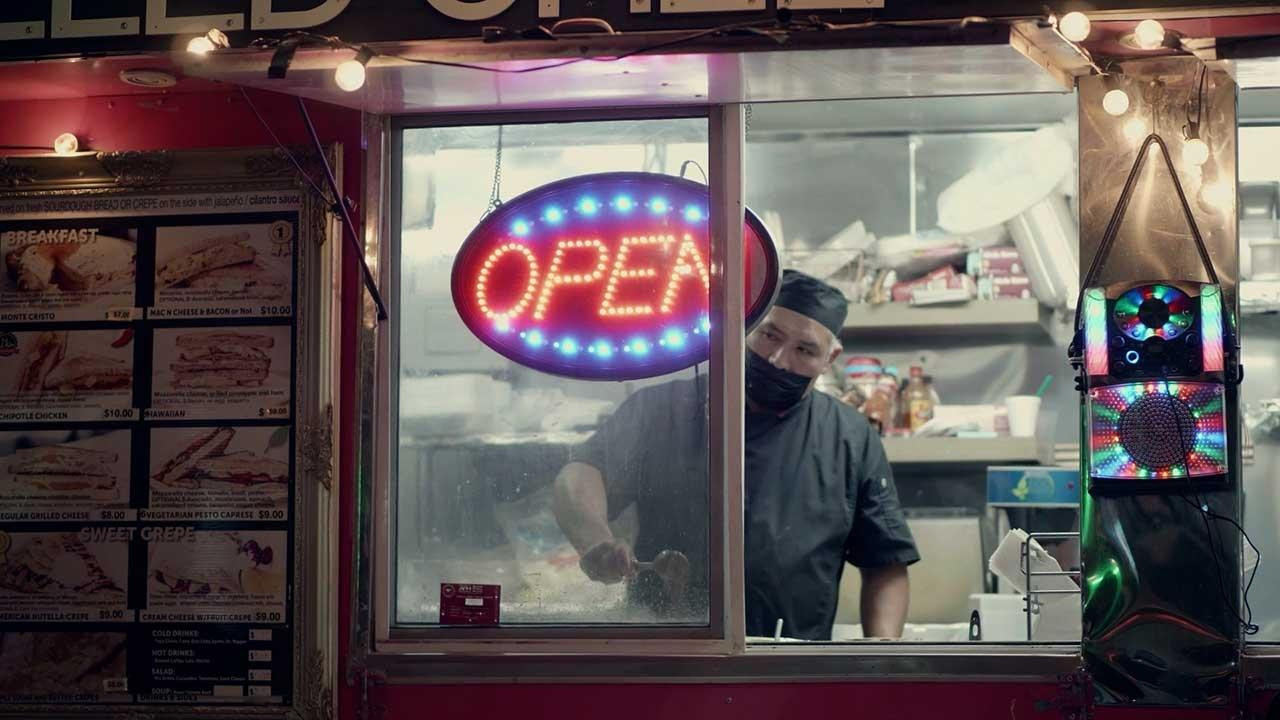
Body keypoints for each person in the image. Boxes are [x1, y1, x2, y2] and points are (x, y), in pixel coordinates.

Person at [552, 270, 919, 640]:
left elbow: (885, 564)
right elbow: (581, 474)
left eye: (804, 350)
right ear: (746, 324)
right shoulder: (662, 409)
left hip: (794, 665)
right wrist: (596, 542)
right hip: (663, 649)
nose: (777, 360)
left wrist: (881, 655)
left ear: (831, 357)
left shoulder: (849, 437)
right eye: (770, 335)